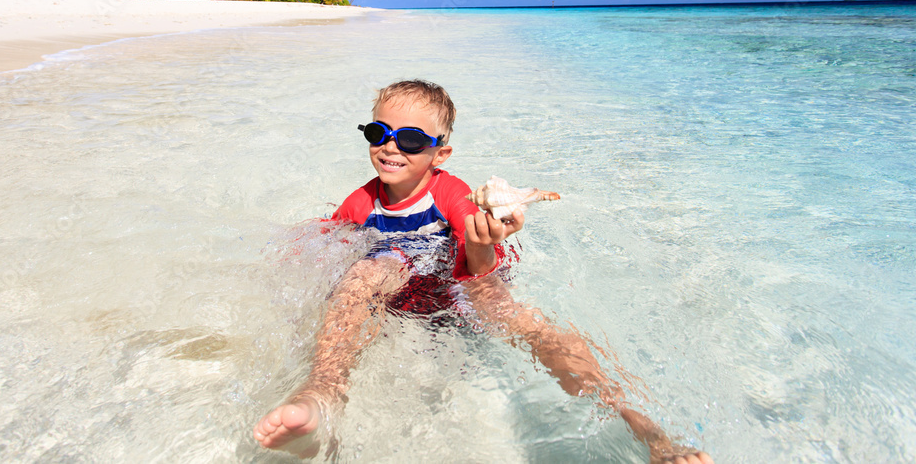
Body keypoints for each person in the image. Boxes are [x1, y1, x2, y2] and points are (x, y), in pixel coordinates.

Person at [253, 80, 712, 464]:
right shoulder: (361, 201)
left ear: (440, 154)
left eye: (410, 139)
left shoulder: (451, 194)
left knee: (537, 331)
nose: (391, 146)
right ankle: (321, 397)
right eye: (378, 132)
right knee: (357, 282)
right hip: (398, 287)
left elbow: (481, 272)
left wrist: (482, 240)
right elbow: (332, 242)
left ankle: (648, 431)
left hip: (464, 279)